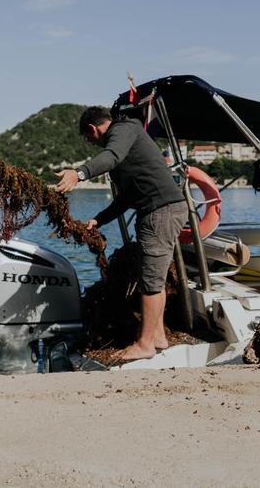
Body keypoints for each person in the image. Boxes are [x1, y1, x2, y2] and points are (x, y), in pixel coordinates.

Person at [55, 106, 188, 360]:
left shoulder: (123, 130)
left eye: (88, 138)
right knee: (152, 275)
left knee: (151, 279)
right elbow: (128, 196)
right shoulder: (129, 138)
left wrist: (79, 173)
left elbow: (111, 156)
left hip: (160, 211)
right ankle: (158, 336)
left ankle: (145, 344)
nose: (92, 143)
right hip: (160, 210)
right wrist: (100, 219)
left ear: (93, 130)